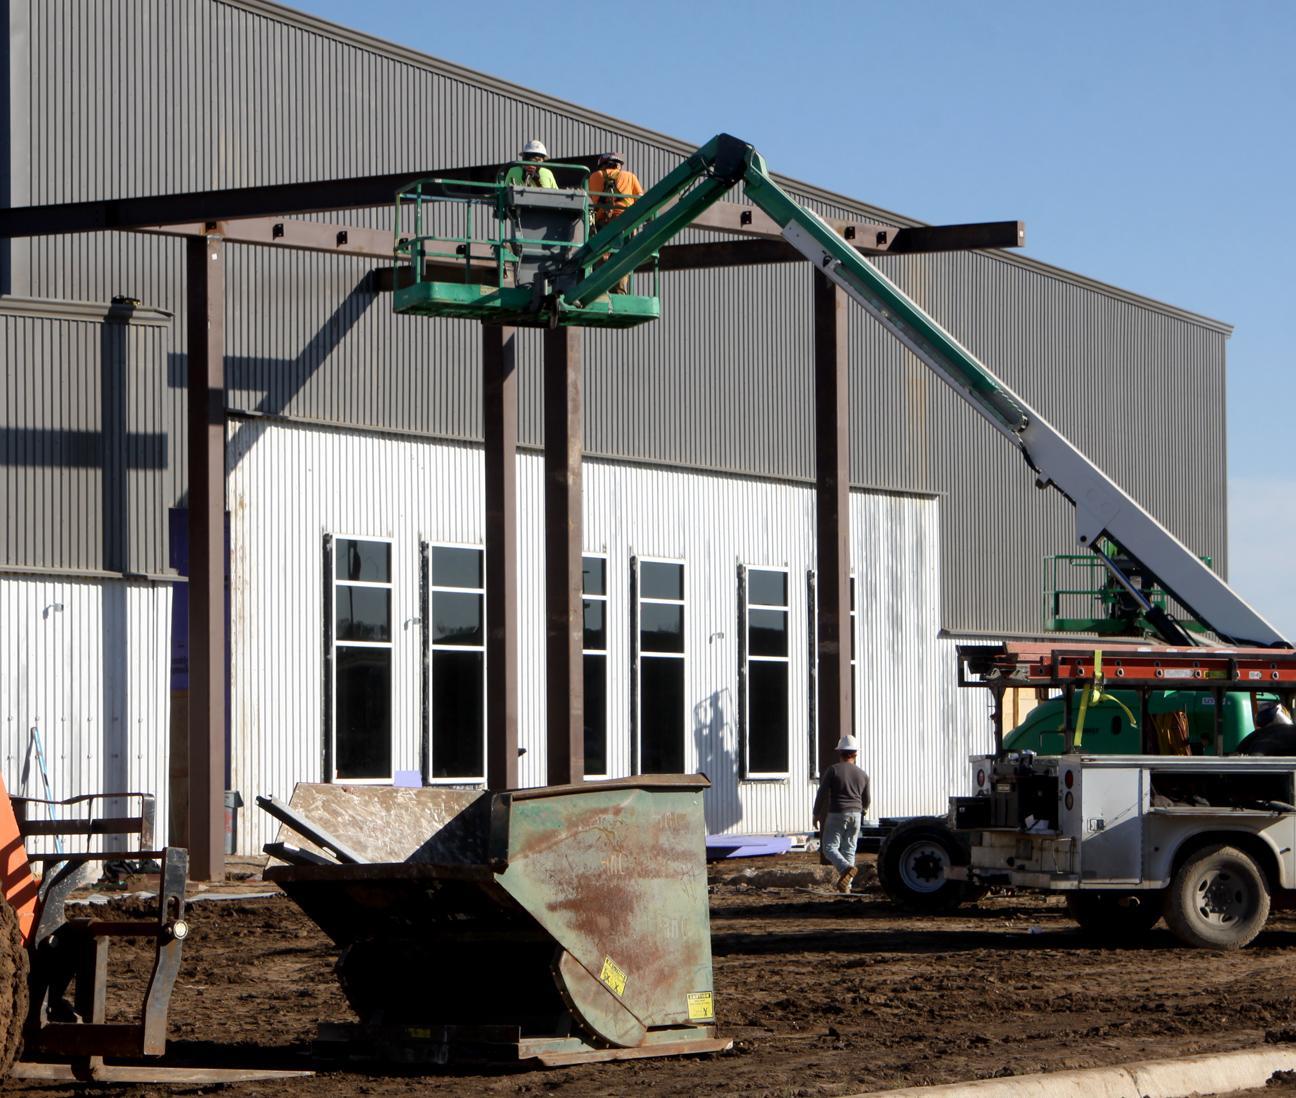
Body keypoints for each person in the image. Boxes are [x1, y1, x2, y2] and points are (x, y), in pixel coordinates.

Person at [813, 734, 871, 893]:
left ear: (839, 753)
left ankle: (845, 868)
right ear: (855, 754)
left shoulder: (833, 770)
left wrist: (816, 813)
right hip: (856, 814)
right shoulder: (863, 774)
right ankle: (847, 886)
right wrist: (862, 811)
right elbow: (867, 799)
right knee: (849, 849)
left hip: (838, 812)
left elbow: (822, 792)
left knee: (829, 847)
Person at [586, 150, 645, 293]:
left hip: (602, 223)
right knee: (622, 257)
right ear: (618, 165)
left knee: (600, 255)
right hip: (626, 222)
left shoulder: (594, 176)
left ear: (602, 165)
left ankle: (598, 289)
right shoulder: (630, 176)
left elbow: (589, 200)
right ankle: (619, 290)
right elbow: (641, 199)